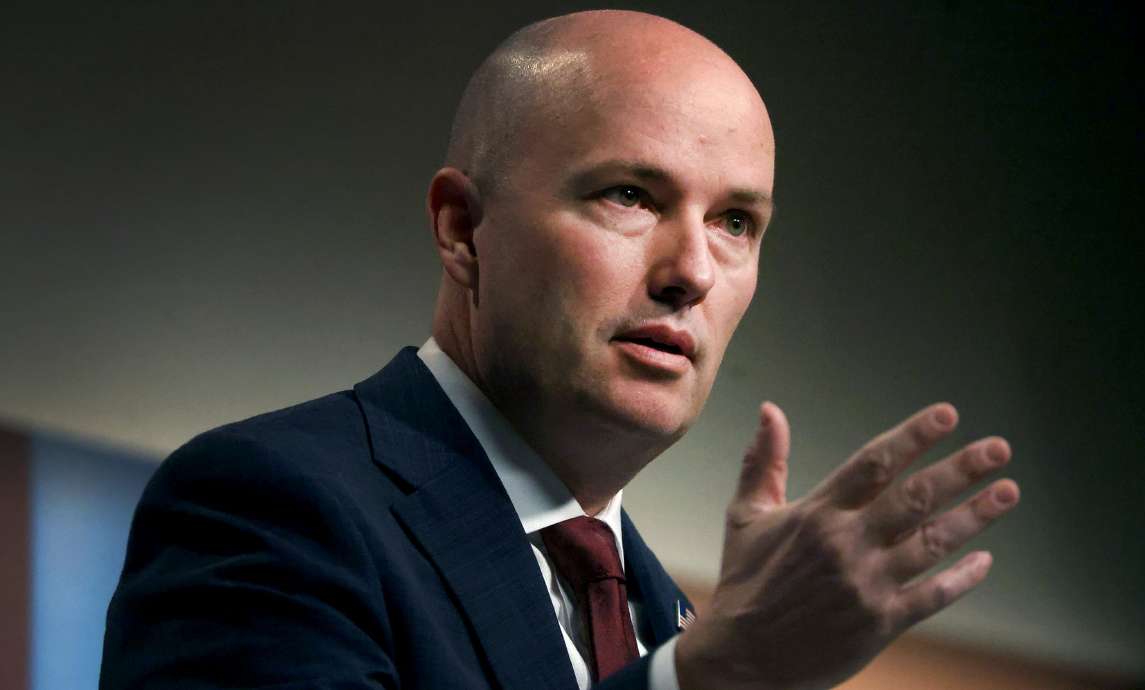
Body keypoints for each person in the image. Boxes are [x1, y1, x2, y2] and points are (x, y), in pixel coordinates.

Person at [101, 9, 1019, 690]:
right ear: (463, 229)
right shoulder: (268, 507)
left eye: (736, 221)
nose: (693, 271)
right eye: (631, 195)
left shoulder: (675, 621)